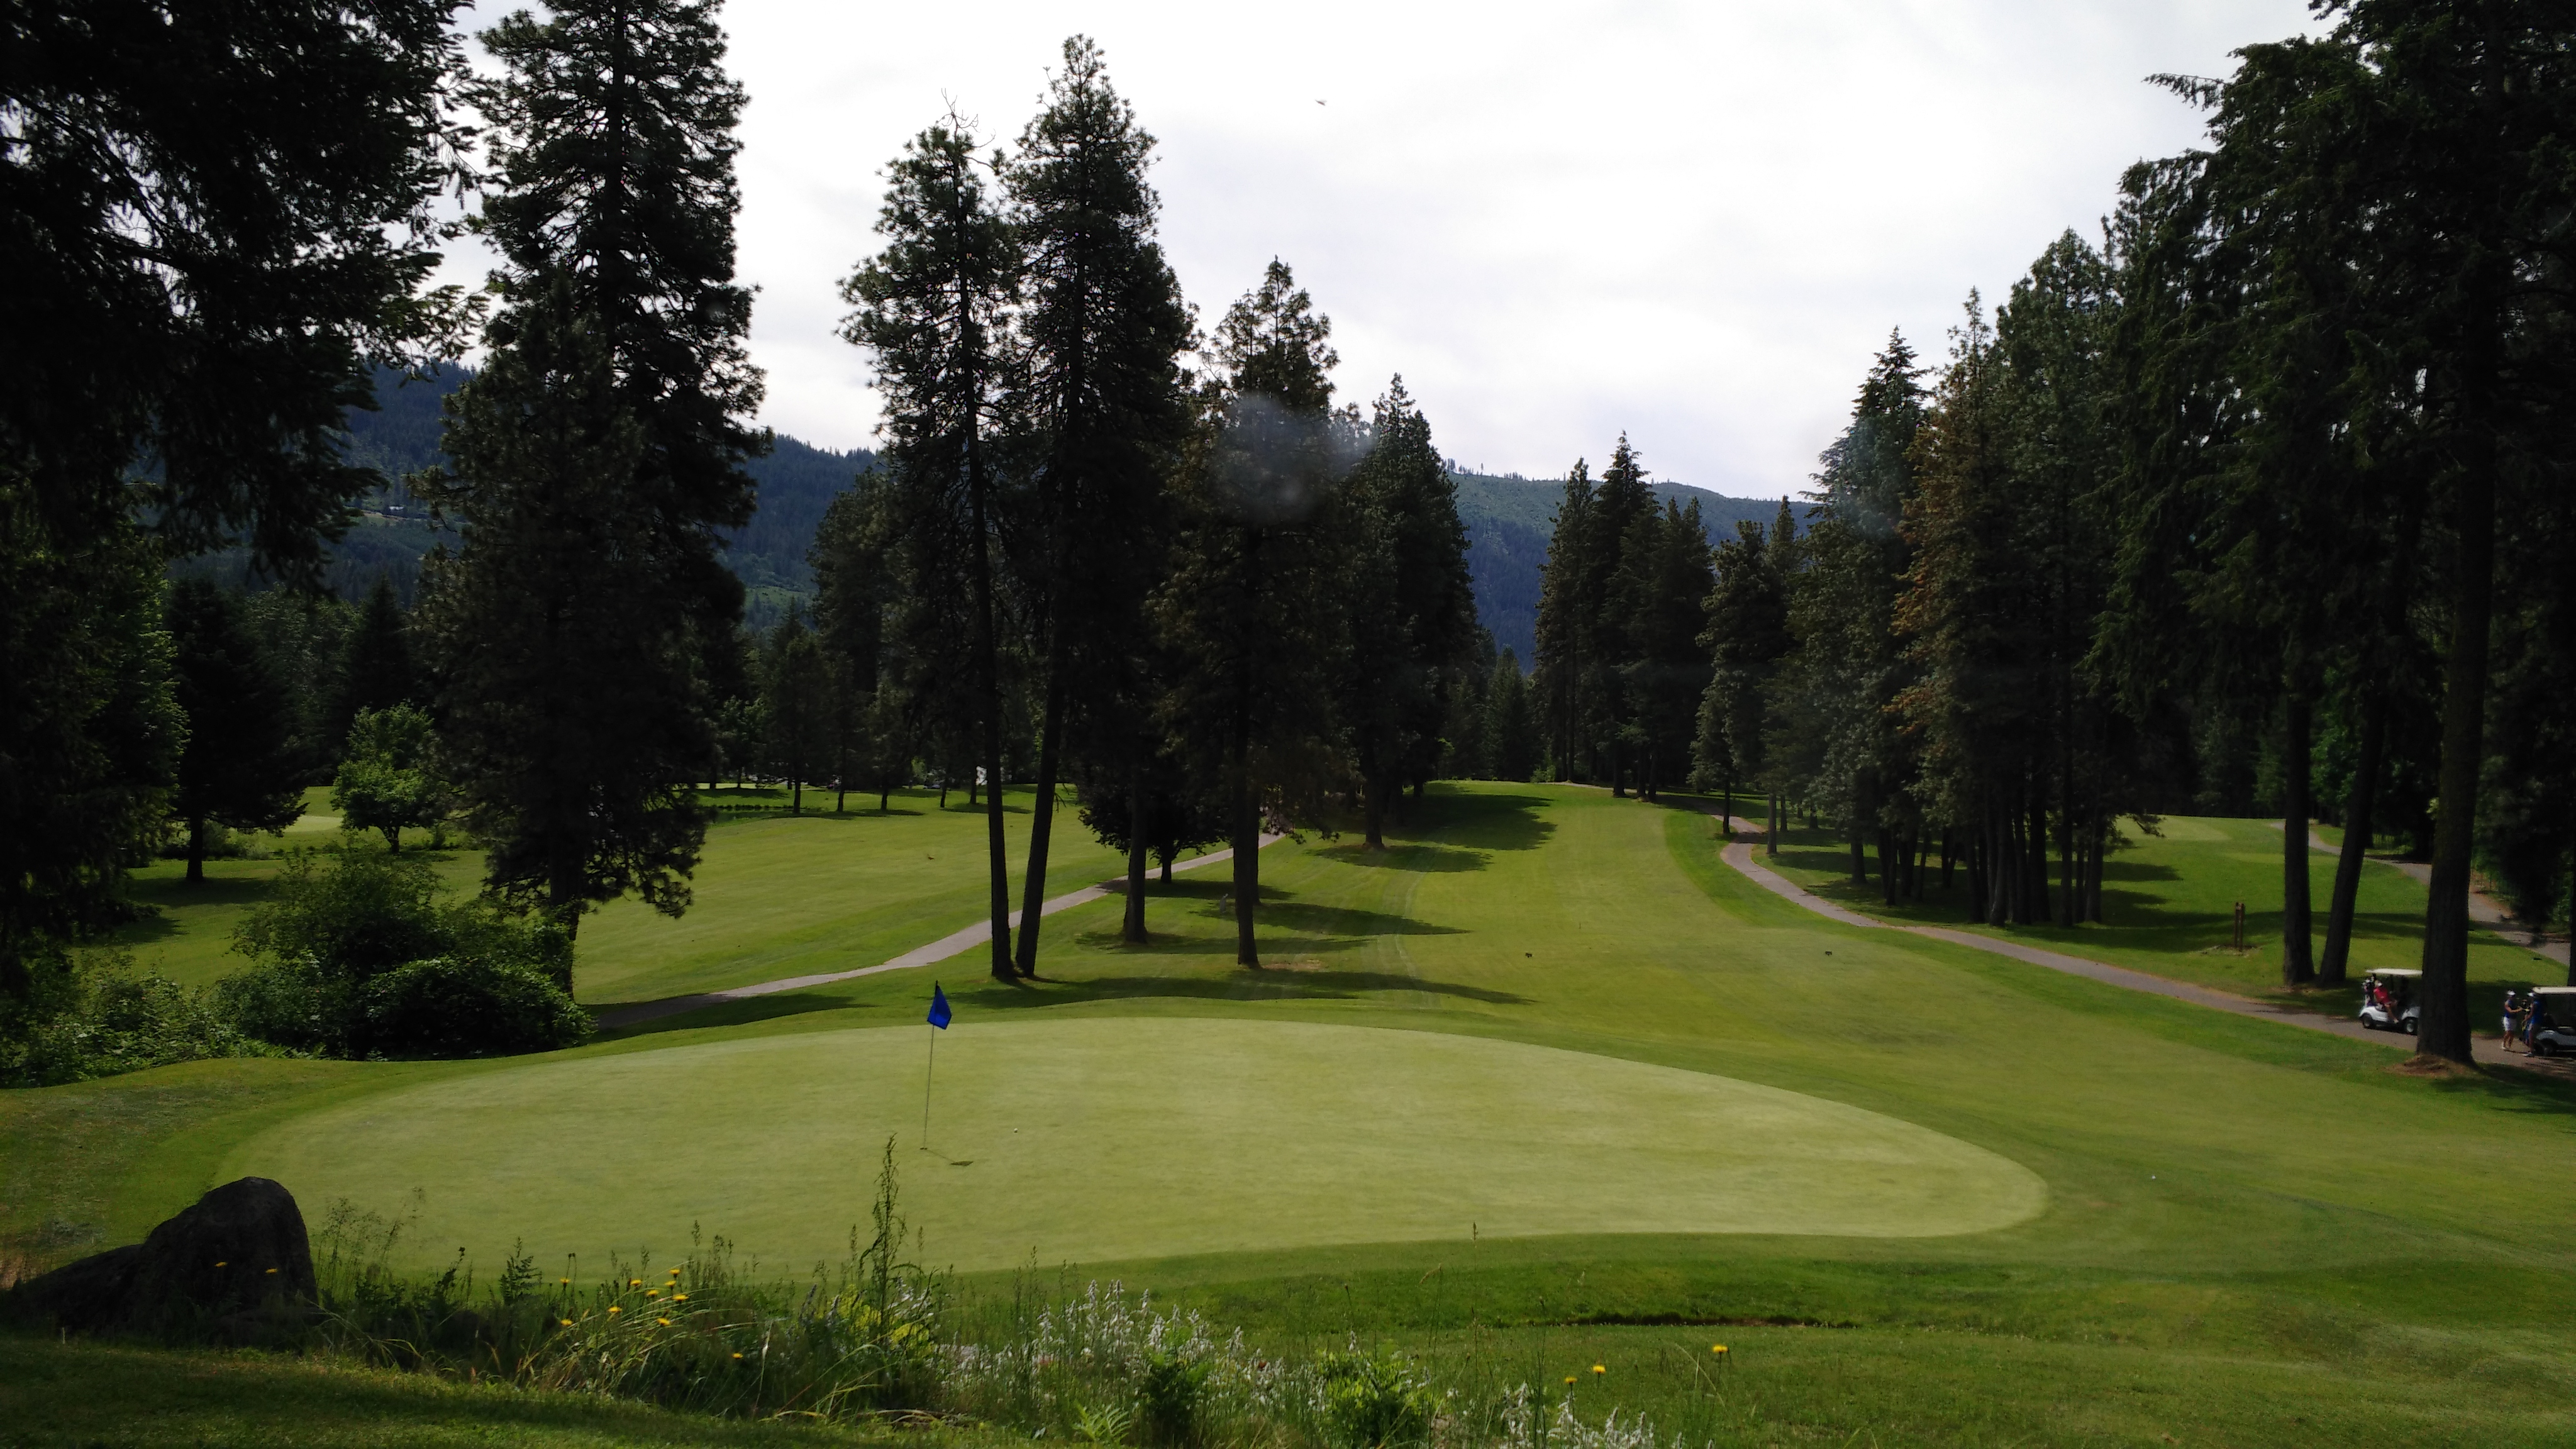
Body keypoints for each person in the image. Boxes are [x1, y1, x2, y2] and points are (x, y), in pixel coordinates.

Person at [2502, 988, 2530, 1053]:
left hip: (2513, 1019)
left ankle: (2509, 1046)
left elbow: (2517, 1007)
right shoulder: (2507, 1003)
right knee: (2508, 1032)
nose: (2513, 997)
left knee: (2512, 1033)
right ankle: (2504, 1044)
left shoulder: (2514, 1003)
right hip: (2508, 1019)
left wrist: (2521, 1007)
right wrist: (2519, 1010)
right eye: (2512, 996)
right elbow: (2511, 1011)